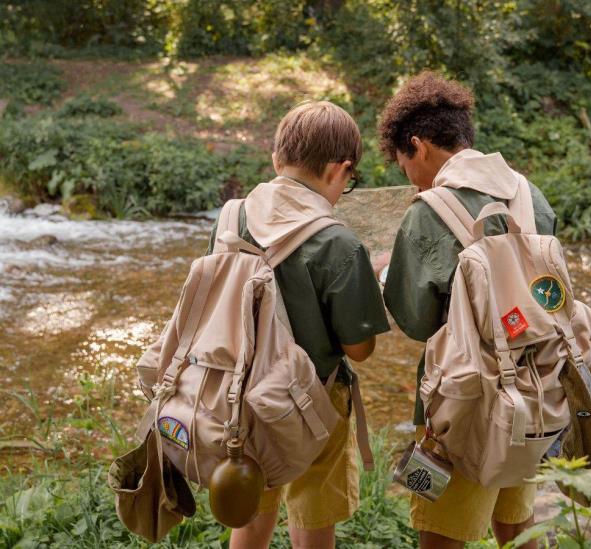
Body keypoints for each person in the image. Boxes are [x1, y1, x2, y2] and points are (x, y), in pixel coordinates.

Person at [376, 72, 557, 549]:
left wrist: (384, 274)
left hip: (458, 406)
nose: (408, 177)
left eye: (402, 163)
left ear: (418, 146)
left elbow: (417, 322)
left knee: (436, 531)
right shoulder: (529, 194)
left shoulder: (428, 212)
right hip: (534, 391)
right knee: (518, 525)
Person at [206, 100, 390, 549]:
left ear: (275, 159)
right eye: (350, 181)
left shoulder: (233, 217)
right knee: (313, 516)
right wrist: (375, 283)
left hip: (242, 390)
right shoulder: (340, 243)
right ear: (340, 170)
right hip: (315, 401)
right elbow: (359, 349)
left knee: (250, 512)